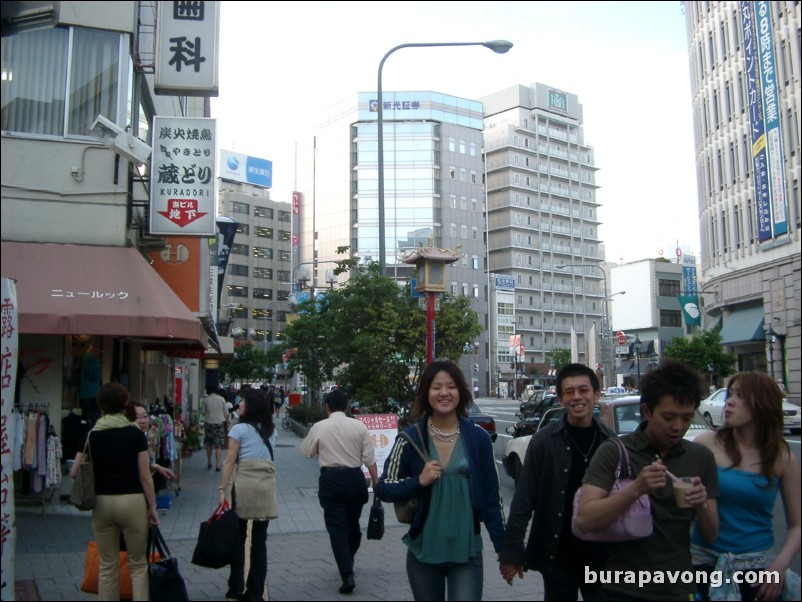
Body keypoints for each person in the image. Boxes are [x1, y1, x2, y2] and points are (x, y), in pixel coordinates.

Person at [575, 358, 720, 601]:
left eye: (686, 418)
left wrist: (701, 505)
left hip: (678, 587)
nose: (678, 426)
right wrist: (636, 490)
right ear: (646, 411)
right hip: (623, 588)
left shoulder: (700, 457)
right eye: (669, 417)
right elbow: (585, 519)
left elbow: (711, 535)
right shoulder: (615, 452)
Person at [376, 359, 506, 601]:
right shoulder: (410, 438)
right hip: (423, 553)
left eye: (451, 386)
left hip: (467, 552)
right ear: (426, 393)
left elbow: (492, 499)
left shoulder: (478, 438)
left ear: (461, 392)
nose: (444, 393)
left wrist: (504, 548)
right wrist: (418, 481)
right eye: (436, 387)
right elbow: (383, 487)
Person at [499, 363, 616, 600]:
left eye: (583, 390)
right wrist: (512, 551)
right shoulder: (544, 441)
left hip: (603, 556)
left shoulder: (611, 443)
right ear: (561, 399)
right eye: (569, 392)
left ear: (596, 394)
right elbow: (524, 498)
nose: (577, 397)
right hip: (558, 554)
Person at [691, 372, 801, 601]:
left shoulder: (782, 456)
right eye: (730, 394)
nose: (729, 401)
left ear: (762, 403)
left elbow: (797, 524)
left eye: (740, 396)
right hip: (704, 563)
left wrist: (779, 566)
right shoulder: (705, 445)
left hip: (757, 569)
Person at [69, 383, 159, 601]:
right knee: (137, 565)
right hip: (132, 502)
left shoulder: (92, 435)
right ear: (124, 404)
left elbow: (73, 472)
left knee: (107, 565)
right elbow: (145, 475)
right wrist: (153, 507)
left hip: (102, 503)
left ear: (101, 405)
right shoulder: (135, 433)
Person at [300, 388, 378, 595]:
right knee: (353, 525)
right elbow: (369, 458)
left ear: (327, 407)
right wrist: (377, 483)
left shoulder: (319, 427)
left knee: (337, 528)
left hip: (331, 479)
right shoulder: (359, 426)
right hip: (355, 479)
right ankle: (348, 559)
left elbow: (306, 452)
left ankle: (347, 573)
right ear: (347, 407)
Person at [217, 387, 277, 601]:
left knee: (239, 538)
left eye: (242, 401)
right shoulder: (271, 430)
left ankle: (235, 587)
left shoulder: (238, 429)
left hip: (245, 485)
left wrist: (222, 489)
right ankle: (255, 593)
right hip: (267, 485)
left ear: (250, 405)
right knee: (259, 542)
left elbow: (230, 460)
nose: (239, 404)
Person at [125, 400, 176, 485]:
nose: (143, 421)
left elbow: (148, 462)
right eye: (137, 417)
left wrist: (157, 467)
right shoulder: (127, 440)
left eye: (145, 416)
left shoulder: (152, 433)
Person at [203, 384, 230, 471]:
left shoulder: (206, 400)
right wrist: (227, 423)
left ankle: (209, 462)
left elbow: (203, 412)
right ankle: (218, 464)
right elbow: (226, 413)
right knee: (218, 445)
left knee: (209, 443)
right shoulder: (221, 399)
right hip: (219, 423)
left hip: (209, 422)